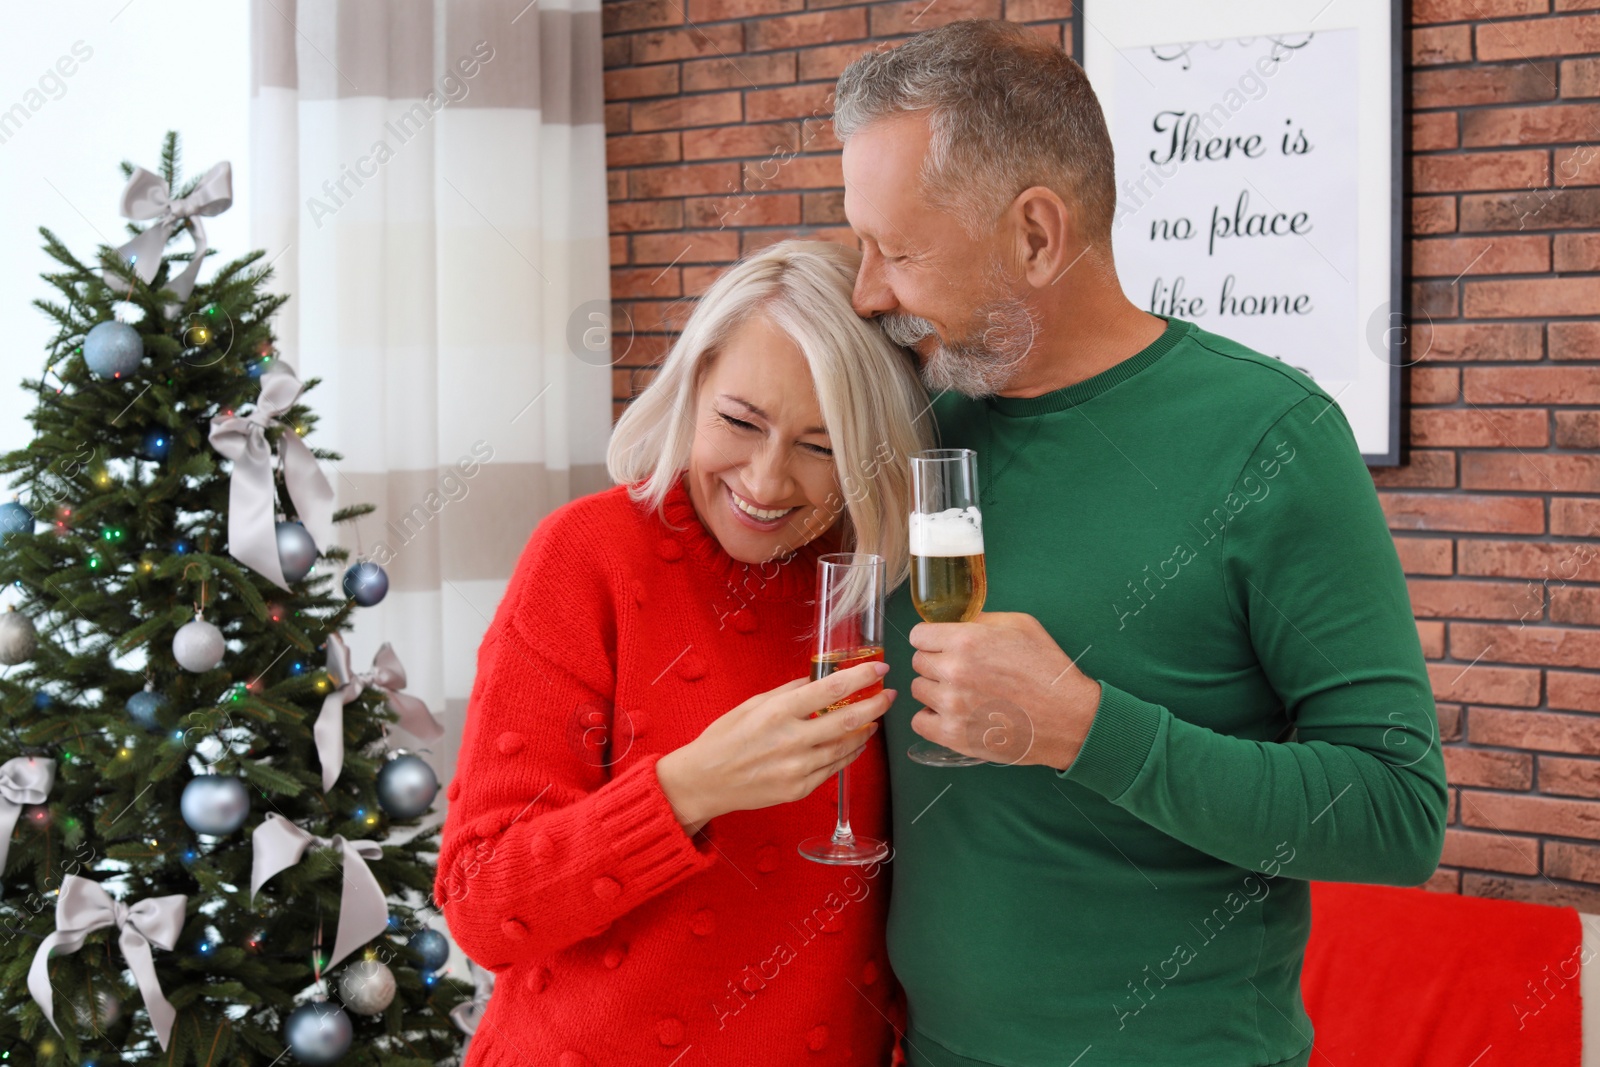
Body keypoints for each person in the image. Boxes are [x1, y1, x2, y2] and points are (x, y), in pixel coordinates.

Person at [831, 19, 1447, 1067]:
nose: (867, 292)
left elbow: (1395, 813)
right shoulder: (913, 425)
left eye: (897, 250)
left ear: (1035, 234)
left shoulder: (1270, 437)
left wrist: (1081, 725)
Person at [434, 238, 933, 1065]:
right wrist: (689, 787)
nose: (768, 482)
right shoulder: (586, 554)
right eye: (741, 422)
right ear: (693, 385)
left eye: (820, 446)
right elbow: (482, 905)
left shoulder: (870, 581)